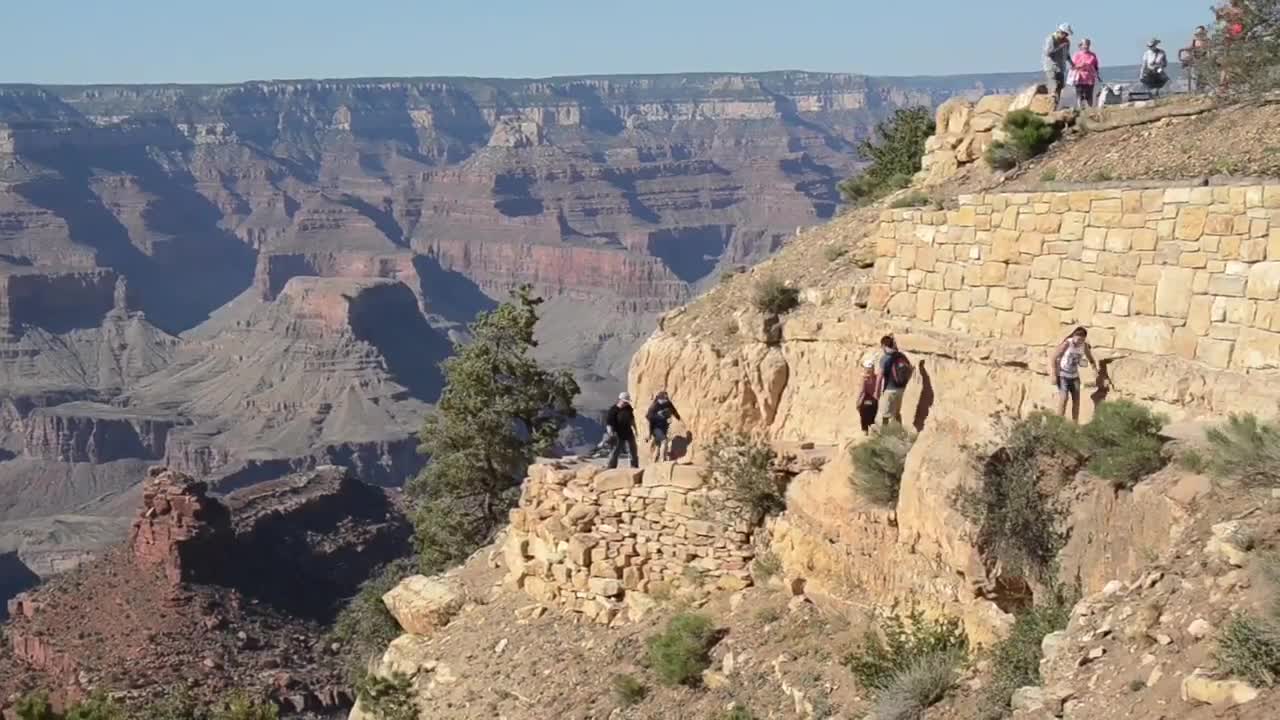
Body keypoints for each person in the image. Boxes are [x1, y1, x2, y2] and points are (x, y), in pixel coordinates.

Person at [1049, 327, 1097, 424]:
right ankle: (1058, 423)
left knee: (1076, 401)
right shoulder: (1067, 344)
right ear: (1074, 336)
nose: (1080, 342)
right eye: (1079, 339)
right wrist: (1054, 374)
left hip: (1074, 376)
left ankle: (1075, 424)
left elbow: (1090, 358)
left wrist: (1094, 368)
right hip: (1062, 375)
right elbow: (1053, 357)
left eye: (1082, 340)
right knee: (1064, 398)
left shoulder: (1084, 346)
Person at [876, 335, 913, 426]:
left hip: (889, 390)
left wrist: (876, 392)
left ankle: (884, 436)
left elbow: (880, 377)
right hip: (901, 389)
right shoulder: (901, 355)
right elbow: (910, 369)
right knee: (897, 414)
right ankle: (900, 432)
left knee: (885, 415)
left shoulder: (885, 358)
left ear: (884, 346)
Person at [645, 390, 682, 462]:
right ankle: (663, 460)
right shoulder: (654, 407)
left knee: (658, 445)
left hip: (664, 427)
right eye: (664, 399)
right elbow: (648, 421)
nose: (665, 401)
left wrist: (679, 418)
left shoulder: (667, 403)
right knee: (664, 441)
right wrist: (648, 434)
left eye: (666, 399)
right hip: (656, 428)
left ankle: (654, 461)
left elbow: (674, 411)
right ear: (659, 399)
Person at [1043, 23, 1075, 108]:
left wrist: (1071, 63)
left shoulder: (1067, 41)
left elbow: (1067, 54)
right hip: (1051, 66)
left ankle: (1055, 106)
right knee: (1053, 85)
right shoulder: (1051, 39)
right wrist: (1060, 47)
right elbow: (1047, 53)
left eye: (1067, 34)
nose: (1066, 36)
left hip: (1061, 67)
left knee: (1060, 87)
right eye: (1065, 34)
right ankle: (1048, 105)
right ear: (1060, 32)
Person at [605, 392, 639, 469]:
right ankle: (611, 466)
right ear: (620, 400)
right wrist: (611, 434)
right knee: (616, 451)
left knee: (633, 449)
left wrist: (636, 430)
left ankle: (634, 465)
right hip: (618, 433)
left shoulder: (628, 408)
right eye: (625, 402)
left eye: (627, 402)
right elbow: (609, 424)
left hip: (628, 432)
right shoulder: (613, 410)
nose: (626, 404)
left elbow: (632, 420)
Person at [1071, 39, 1102, 109]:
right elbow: (1072, 66)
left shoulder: (1093, 55)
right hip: (1079, 78)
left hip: (1090, 78)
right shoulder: (1077, 55)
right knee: (1079, 95)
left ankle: (1090, 110)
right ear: (1081, 45)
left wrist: (1097, 75)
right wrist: (1080, 65)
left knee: (1089, 95)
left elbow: (1096, 66)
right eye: (1085, 44)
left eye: (1088, 44)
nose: (1086, 46)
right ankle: (1080, 109)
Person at [1180, 26, 1211, 92]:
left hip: (1205, 59)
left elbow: (1210, 50)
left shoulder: (1208, 41)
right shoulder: (1194, 41)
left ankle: (1201, 87)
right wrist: (1187, 50)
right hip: (1196, 59)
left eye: (1201, 33)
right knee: (1196, 74)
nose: (1199, 35)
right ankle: (1198, 88)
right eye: (1198, 34)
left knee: (1203, 74)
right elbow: (1189, 48)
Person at [856, 359, 880, 435]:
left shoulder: (865, 379)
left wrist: (858, 402)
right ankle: (876, 434)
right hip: (875, 401)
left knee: (864, 418)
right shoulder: (876, 377)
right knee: (871, 420)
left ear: (866, 368)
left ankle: (865, 433)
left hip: (866, 400)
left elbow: (862, 391)